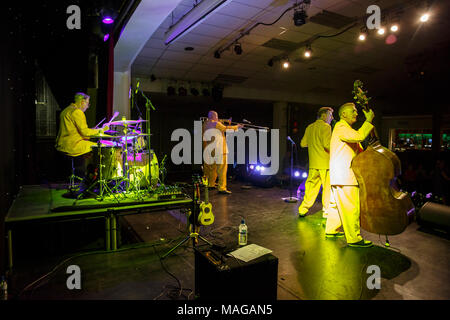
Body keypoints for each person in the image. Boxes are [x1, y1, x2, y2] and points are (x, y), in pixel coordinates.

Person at [324, 102, 375, 248]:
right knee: (351, 207)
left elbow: (356, 147)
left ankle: (331, 229)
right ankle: (354, 238)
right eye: (353, 111)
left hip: (339, 175)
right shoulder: (341, 127)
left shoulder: (343, 129)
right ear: (343, 114)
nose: (356, 113)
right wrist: (369, 121)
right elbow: (358, 136)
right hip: (345, 175)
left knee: (335, 205)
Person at [56, 92, 109, 186]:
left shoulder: (66, 110)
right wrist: (101, 131)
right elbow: (85, 132)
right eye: (88, 103)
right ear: (82, 102)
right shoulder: (77, 112)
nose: (88, 106)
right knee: (101, 147)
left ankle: (89, 175)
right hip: (72, 145)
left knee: (91, 146)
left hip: (63, 144)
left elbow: (76, 131)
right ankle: (94, 178)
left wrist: (94, 130)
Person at [298, 107, 334, 218]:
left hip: (313, 164)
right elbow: (327, 145)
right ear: (324, 115)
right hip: (325, 164)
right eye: (330, 115)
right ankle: (326, 212)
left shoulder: (310, 127)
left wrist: (314, 143)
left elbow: (303, 144)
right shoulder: (326, 127)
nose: (332, 118)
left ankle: (303, 209)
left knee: (310, 188)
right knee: (327, 189)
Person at [202, 110, 242, 194]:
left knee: (212, 169)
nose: (218, 118)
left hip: (210, 150)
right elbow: (226, 128)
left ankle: (211, 184)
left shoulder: (205, 124)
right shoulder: (216, 124)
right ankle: (222, 188)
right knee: (222, 169)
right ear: (214, 117)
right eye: (217, 117)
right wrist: (237, 127)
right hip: (219, 149)